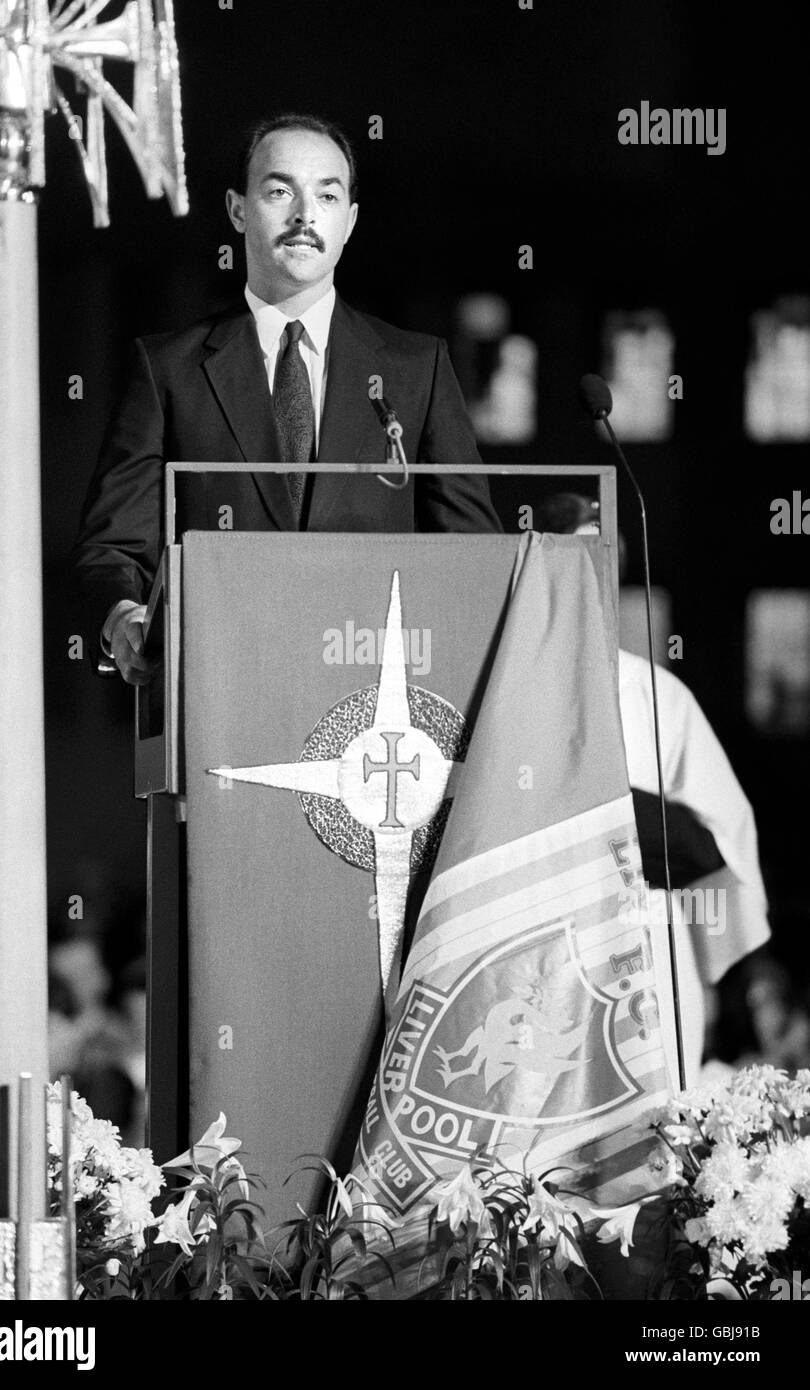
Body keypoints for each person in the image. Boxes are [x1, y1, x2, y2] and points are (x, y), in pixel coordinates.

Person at [72, 112, 501, 684]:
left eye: (327, 195)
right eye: (280, 191)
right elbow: (113, 548)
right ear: (237, 209)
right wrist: (123, 614)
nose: (304, 215)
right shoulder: (168, 368)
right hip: (219, 691)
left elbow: (471, 549)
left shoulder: (415, 368)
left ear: (348, 221)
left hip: (373, 697)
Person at [535, 493, 771, 1084]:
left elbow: (724, 842)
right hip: (538, 948)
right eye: (571, 549)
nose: (590, 569)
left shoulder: (656, 695)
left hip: (648, 945)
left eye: (603, 553)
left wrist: (618, 814)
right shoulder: (510, 687)